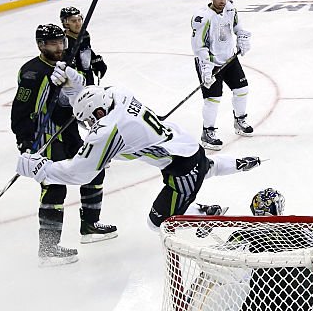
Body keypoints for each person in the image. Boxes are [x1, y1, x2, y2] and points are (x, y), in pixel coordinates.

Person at [14, 84, 261, 232]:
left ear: (100, 112)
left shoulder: (109, 129)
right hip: (181, 142)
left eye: (90, 120)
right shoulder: (116, 92)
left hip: (181, 166)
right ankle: (239, 163)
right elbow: (97, 91)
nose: (89, 126)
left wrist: (40, 168)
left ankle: (202, 212)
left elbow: (80, 172)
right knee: (203, 168)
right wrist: (73, 86)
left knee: (157, 223)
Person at [10, 24, 116, 266]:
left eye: (62, 43)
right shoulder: (32, 72)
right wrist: (24, 141)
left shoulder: (67, 63)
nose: (59, 48)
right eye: (53, 44)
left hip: (68, 130)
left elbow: (80, 96)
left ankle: (90, 224)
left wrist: (77, 79)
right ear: (41, 45)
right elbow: (21, 109)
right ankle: (47, 249)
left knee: (94, 168)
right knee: (54, 186)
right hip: (45, 135)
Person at [191, 0, 253, 152]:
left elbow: (236, 26)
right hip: (210, 62)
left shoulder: (230, 8)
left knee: (242, 89)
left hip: (229, 58)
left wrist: (242, 36)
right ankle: (207, 132)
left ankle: (240, 120)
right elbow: (198, 46)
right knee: (213, 99)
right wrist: (206, 68)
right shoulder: (203, 18)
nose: (223, 1)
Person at [60, 6, 107, 86]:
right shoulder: (63, 42)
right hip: (74, 84)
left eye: (79, 20)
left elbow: (86, 50)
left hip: (88, 79)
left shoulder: (85, 34)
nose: (78, 24)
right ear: (66, 23)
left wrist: (95, 60)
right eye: (74, 21)